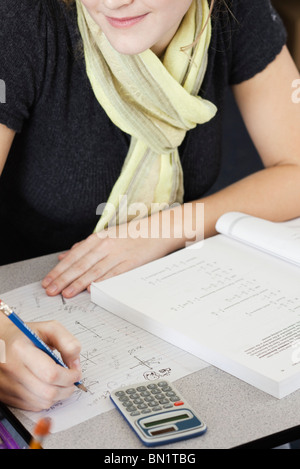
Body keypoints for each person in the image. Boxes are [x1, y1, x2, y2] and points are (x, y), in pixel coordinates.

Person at [0, 0, 299, 411]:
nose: (110, 2)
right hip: (27, 297)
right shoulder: (19, 19)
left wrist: (163, 229)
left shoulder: (235, 10)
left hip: (162, 295)